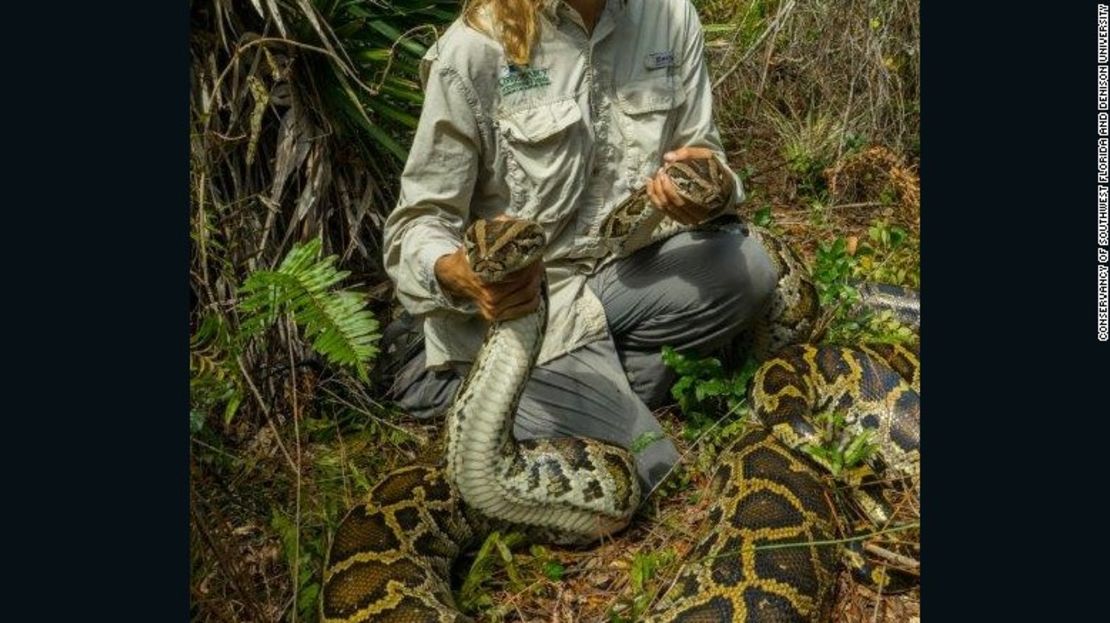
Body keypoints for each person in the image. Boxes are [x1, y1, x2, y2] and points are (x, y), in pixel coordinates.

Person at [381, 0, 778, 491]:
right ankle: (487, 383)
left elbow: (705, 153)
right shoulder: (472, 49)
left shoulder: (670, 16)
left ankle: (563, 389)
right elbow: (417, 224)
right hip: (530, 308)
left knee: (751, 269)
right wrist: (459, 273)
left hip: (621, 271)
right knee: (648, 466)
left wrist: (710, 183)